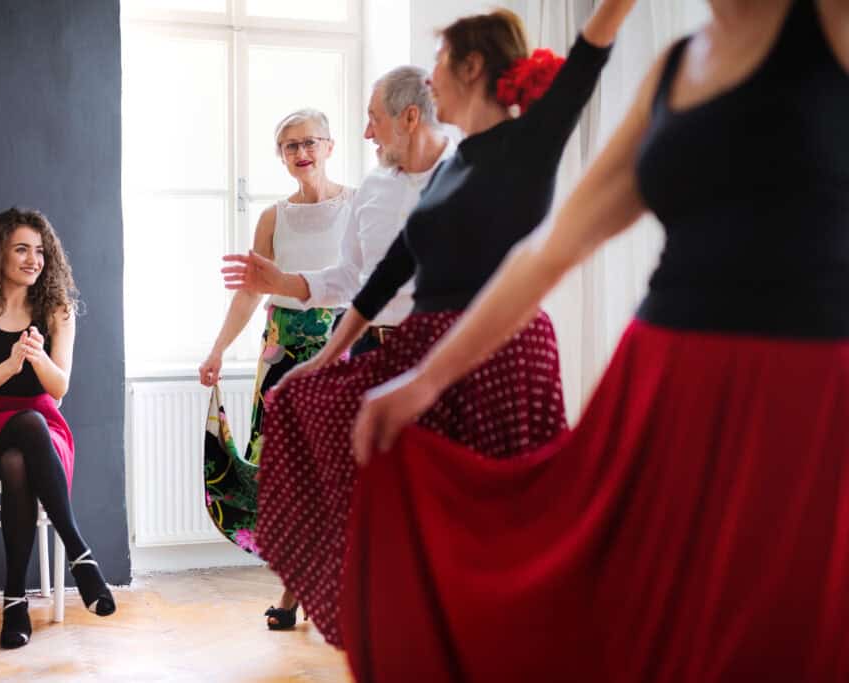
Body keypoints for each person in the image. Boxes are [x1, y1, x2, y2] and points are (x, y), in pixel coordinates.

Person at [346, 0, 849, 680]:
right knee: (636, 615)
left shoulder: (831, 25)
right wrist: (426, 379)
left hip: (803, 396)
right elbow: (551, 248)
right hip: (664, 385)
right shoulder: (673, 70)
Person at [254, 1, 637, 648]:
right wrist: (322, 359)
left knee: (495, 528)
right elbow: (380, 281)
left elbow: (589, 53)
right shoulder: (448, 167)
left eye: (438, 62)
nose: (430, 78)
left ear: (473, 66)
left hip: (498, 350)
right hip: (421, 347)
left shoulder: (528, 139)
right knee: (313, 419)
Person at [197, 109, 354, 629]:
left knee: (340, 472)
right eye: (289, 145)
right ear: (281, 156)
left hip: (342, 347)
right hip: (281, 354)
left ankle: (312, 592)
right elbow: (250, 291)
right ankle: (296, 589)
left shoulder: (357, 206)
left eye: (309, 141)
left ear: (330, 146)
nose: (301, 151)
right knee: (287, 475)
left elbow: (372, 281)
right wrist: (218, 349)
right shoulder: (273, 218)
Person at [0, 208, 115, 649]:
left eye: (39, 251)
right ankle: (80, 554)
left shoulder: (57, 309)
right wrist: (11, 364)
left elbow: (59, 389)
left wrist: (37, 360)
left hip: (40, 432)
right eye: (21, 249)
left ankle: (14, 604)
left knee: (22, 454)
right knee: (25, 427)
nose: (33, 259)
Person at [222, 65, 455, 358]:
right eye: (290, 146)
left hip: (439, 354)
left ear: (410, 117)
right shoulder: (374, 187)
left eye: (374, 119)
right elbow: (352, 276)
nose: (367, 133)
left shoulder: (469, 181)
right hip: (367, 350)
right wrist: (283, 283)